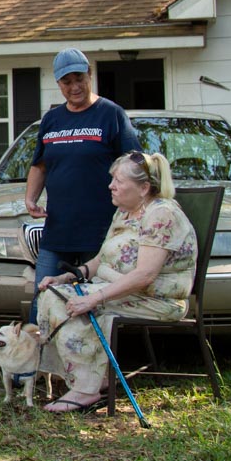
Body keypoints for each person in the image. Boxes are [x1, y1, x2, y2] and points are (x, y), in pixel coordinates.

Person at [34, 151, 197, 412]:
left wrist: (95, 298)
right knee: (53, 291)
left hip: (154, 299)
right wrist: (70, 276)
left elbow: (145, 276)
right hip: (118, 291)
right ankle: (92, 378)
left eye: (118, 181)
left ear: (144, 188)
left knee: (69, 302)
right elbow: (102, 260)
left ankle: (86, 389)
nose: (110, 185)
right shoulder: (124, 212)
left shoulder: (162, 215)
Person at [24, 48, 140, 306]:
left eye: (79, 78)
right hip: (57, 229)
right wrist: (30, 198)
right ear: (58, 83)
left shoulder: (111, 114)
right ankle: (41, 347)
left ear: (90, 74)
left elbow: (134, 165)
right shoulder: (52, 120)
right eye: (67, 81)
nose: (74, 86)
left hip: (99, 231)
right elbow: (40, 165)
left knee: (95, 304)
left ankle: (94, 347)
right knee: (44, 301)